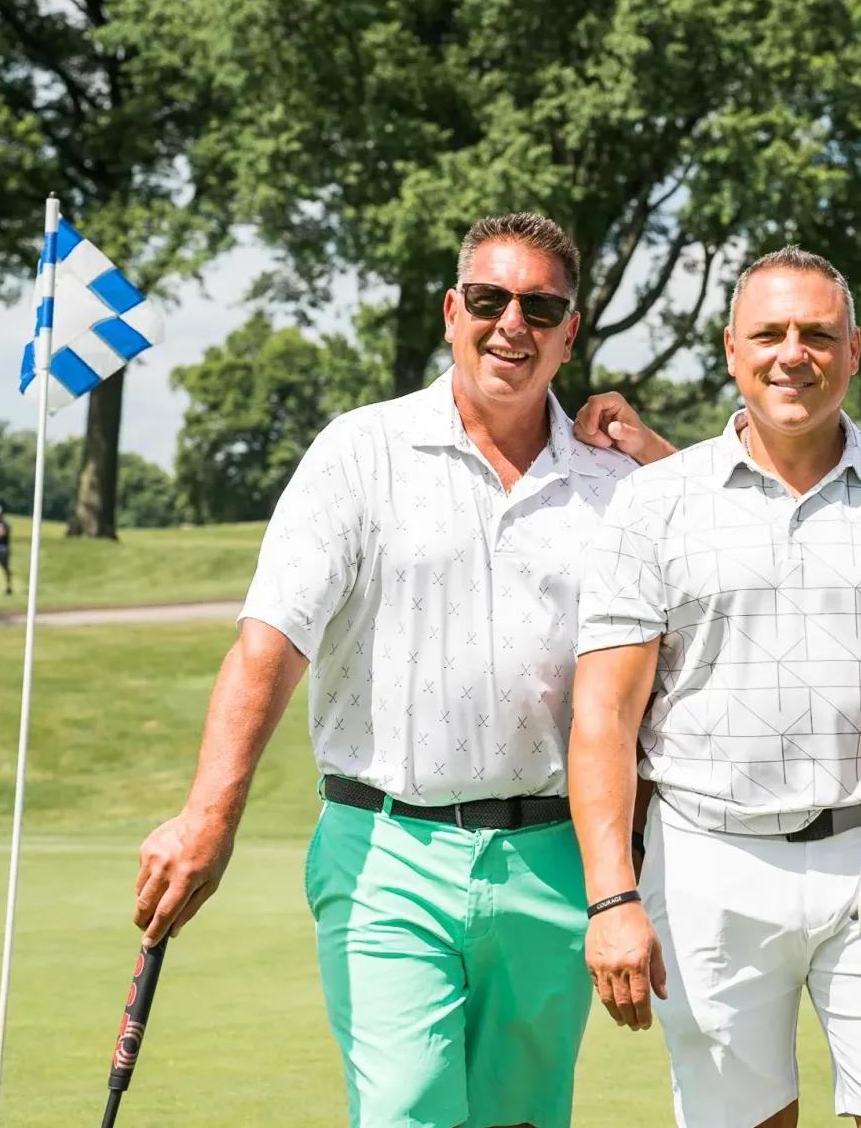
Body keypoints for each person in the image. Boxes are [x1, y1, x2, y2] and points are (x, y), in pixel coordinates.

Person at [130, 212, 668, 1128]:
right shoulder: (359, 450)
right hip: (386, 849)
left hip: (554, 859)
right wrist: (209, 814)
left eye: (541, 306)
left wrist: (665, 460)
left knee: (523, 1120)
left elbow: (732, 573)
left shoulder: (620, 485)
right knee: (407, 1112)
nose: (513, 325)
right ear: (452, 311)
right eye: (491, 300)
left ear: (571, 330)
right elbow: (272, 641)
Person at [568, 246, 861, 1128]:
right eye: (769, 332)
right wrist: (613, 895)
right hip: (708, 861)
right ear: (730, 348)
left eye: (817, 333)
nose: (792, 353)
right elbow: (604, 717)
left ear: (854, 350)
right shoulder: (654, 501)